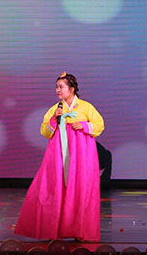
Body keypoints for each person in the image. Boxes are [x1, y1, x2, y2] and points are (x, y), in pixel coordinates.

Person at [15, 72, 105, 241]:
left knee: (80, 189)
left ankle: (80, 231)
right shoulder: (55, 109)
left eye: (61, 87)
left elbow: (99, 125)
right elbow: (45, 131)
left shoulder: (86, 107)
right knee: (54, 188)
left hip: (81, 154)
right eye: (56, 87)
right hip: (59, 154)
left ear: (71, 89)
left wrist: (84, 125)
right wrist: (54, 119)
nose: (57, 90)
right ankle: (54, 230)